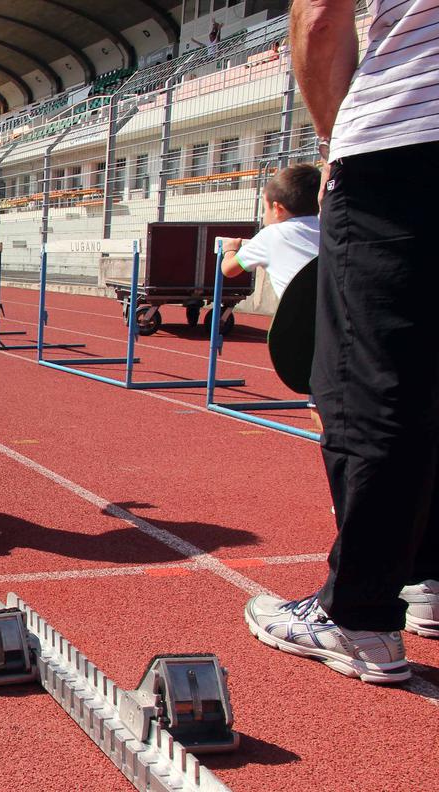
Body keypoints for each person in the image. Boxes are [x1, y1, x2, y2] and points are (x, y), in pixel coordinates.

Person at [242, 0, 439, 685]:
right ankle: (425, 573)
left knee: (366, 382)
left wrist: (335, 143)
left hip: (405, 145)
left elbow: (322, 17)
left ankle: (359, 614)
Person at [219, 164, 321, 300]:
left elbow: (228, 270)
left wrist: (230, 251)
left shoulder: (270, 235)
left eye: (264, 209)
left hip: (293, 318)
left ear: (277, 209)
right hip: (332, 315)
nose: (262, 214)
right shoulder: (329, 230)